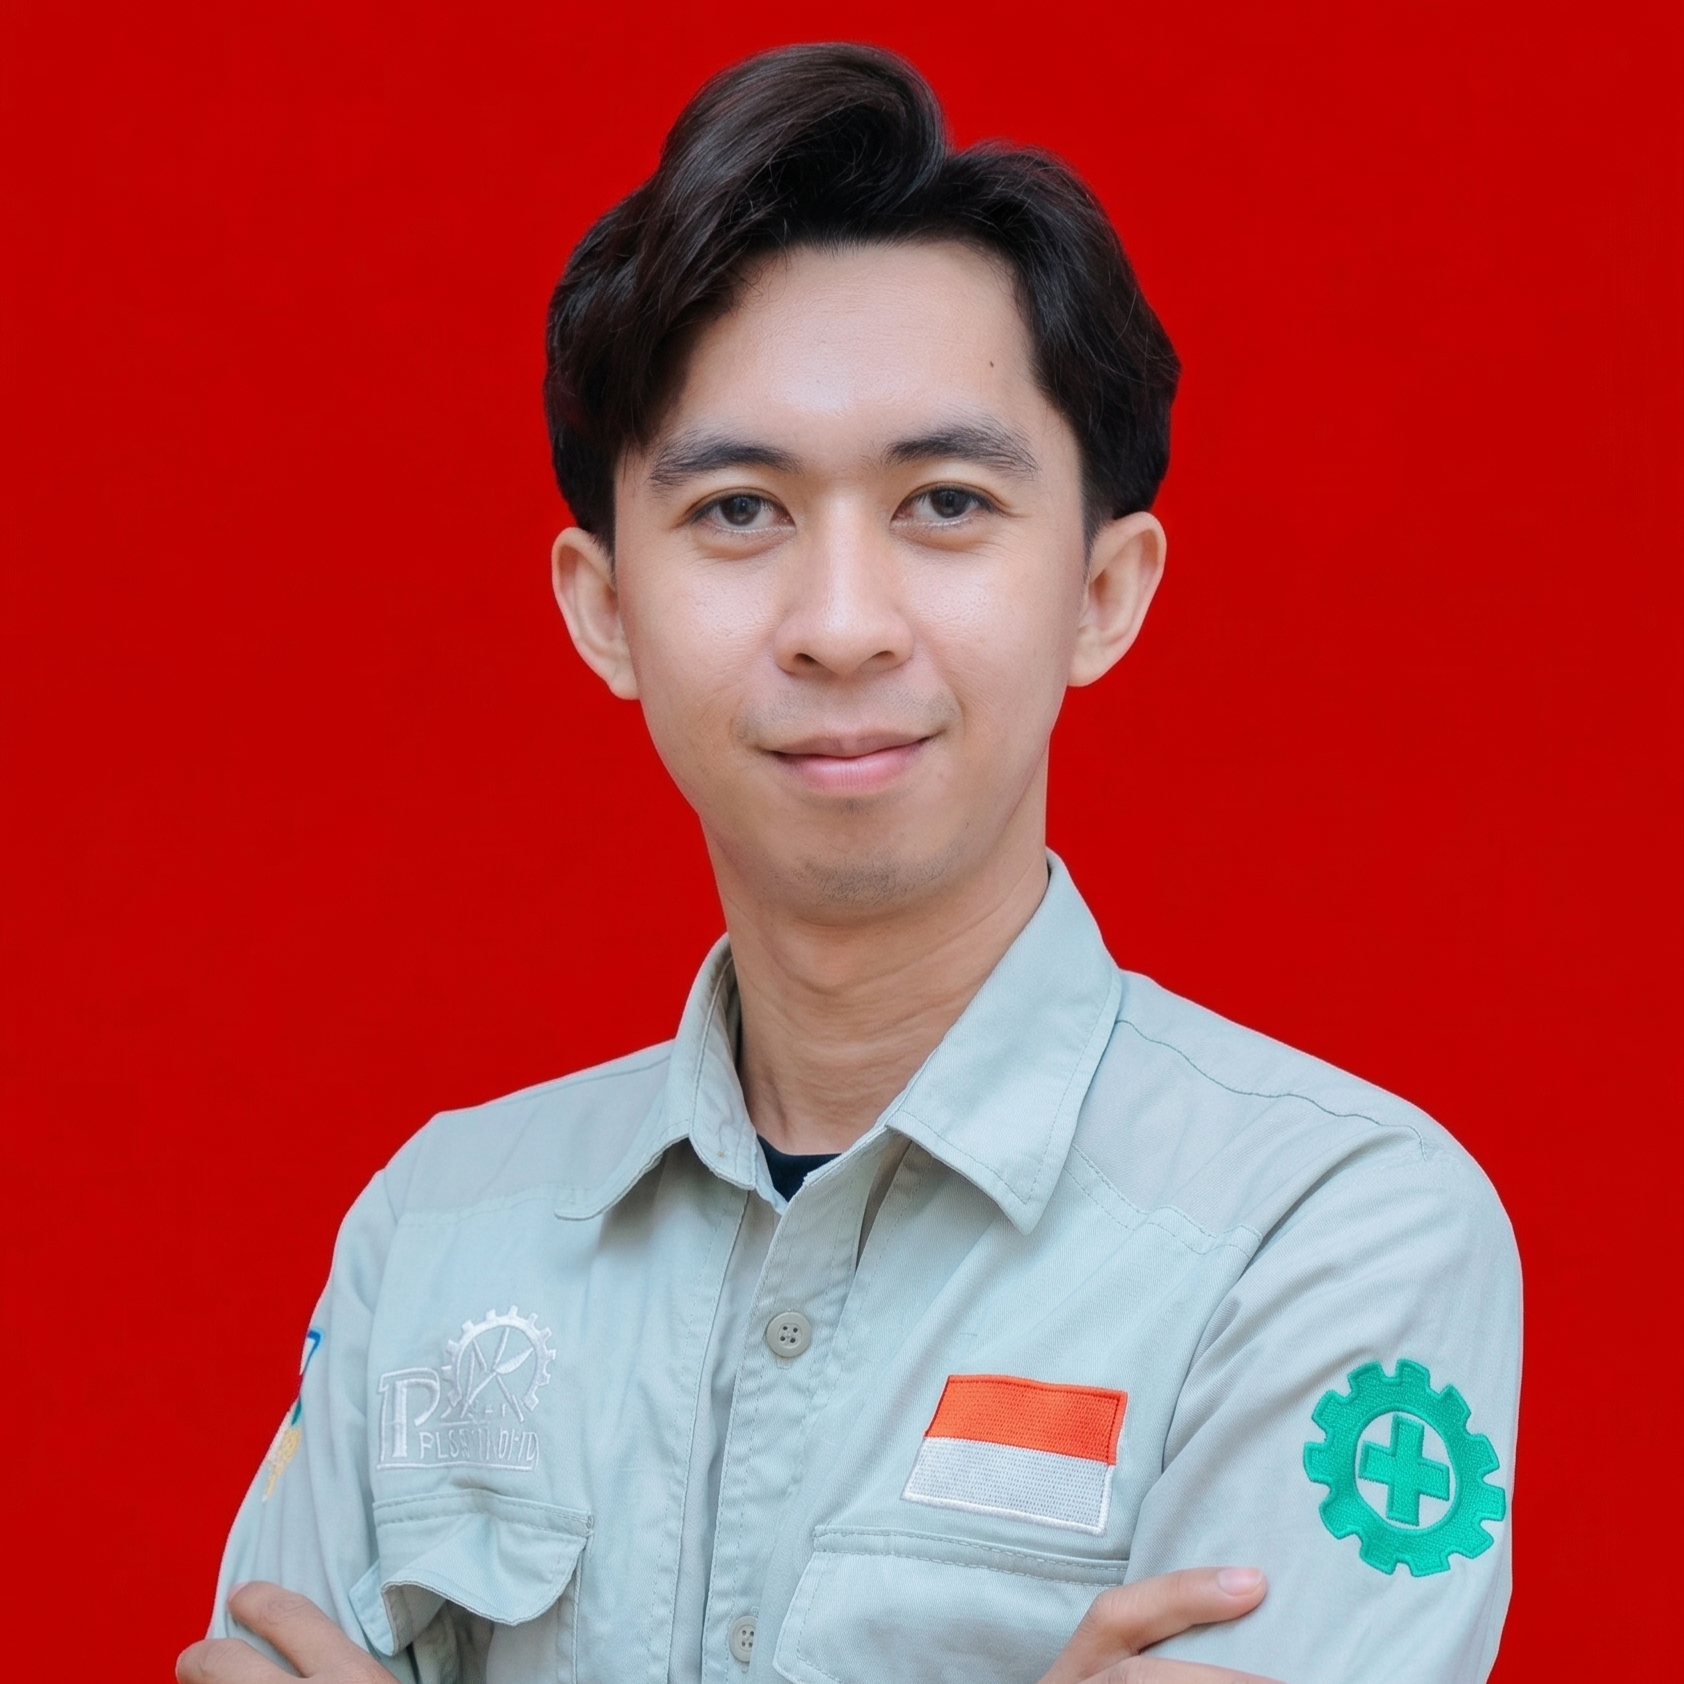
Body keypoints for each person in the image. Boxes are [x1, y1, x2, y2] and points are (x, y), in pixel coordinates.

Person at [179, 43, 1520, 1684]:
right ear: (605, 610)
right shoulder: (441, 1228)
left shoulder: (1326, 1233)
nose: (838, 625)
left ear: (1104, 592)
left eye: (944, 504)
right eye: (739, 512)